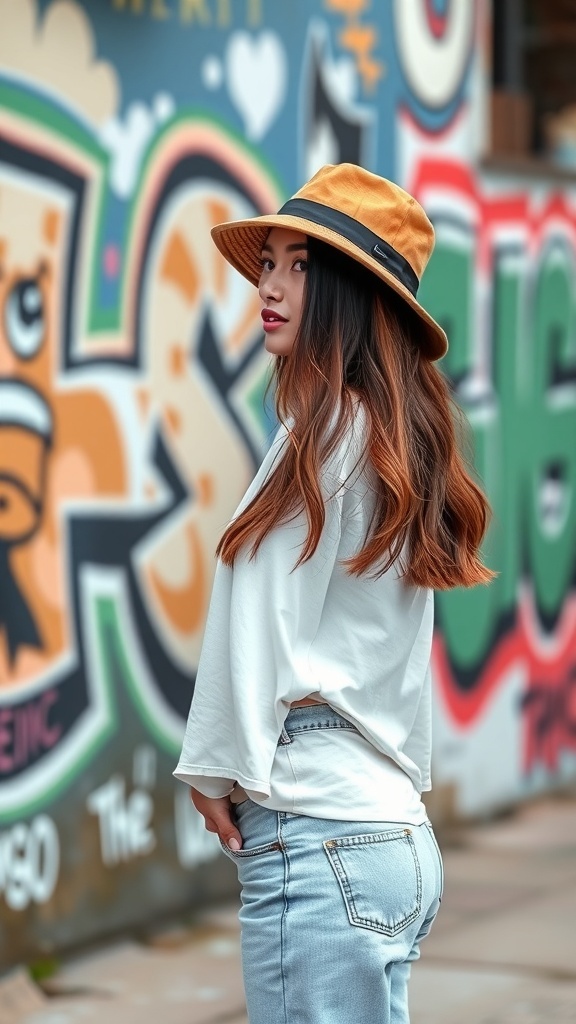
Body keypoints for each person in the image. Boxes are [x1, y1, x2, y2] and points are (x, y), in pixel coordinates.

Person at [174, 163, 494, 1024]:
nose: (268, 288)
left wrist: (214, 768)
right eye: (268, 263)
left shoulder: (322, 441)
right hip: (392, 838)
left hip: (319, 834)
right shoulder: (389, 443)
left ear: (352, 291)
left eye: (299, 266)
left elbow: (261, 623)